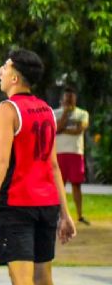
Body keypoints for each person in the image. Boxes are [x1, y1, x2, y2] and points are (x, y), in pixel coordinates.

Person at [0, 49, 75, 285]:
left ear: (15, 78)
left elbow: (1, 163)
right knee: (43, 279)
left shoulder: (6, 110)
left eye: (5, 67)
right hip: (47, 205)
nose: (0, 71)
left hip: (18, 206)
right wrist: (65, 214)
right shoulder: (47, 110)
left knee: (22, 281)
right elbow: (54, 166)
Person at [54, 87, 90, 225]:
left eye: (71, 97)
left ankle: (80, 215)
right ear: (62, 99)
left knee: (76, 184)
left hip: (76, 152)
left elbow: (80, 129)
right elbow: (55, 129)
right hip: (59, 153)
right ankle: (58, 215)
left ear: (75, 99)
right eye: (67, 97)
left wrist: (62, 129)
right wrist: (65, 114)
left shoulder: (82, 114)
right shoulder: (55, 113)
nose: (69, 100)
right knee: (59, 185)